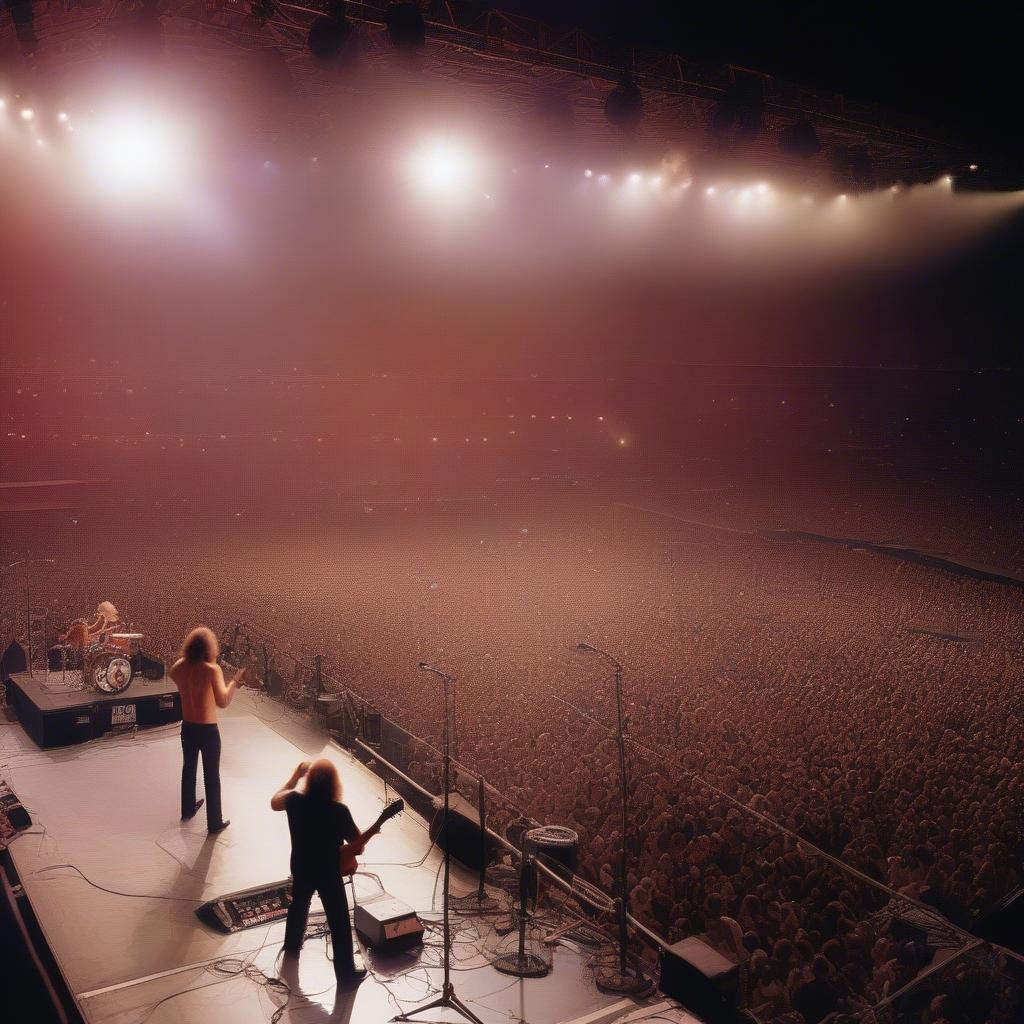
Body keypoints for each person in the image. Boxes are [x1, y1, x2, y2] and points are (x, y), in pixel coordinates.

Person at [271, 759, 366, 982]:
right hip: (327, 871)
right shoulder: (339, 811)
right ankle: (346, 973)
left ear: (309, 780)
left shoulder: (294, 800)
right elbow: (357, 844)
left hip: (301, 865)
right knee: (339, 921)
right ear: (334, 784)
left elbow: (275, 801)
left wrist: (295, 774)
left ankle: (292, 948)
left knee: (298, 906)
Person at [170, 627, 246, 834]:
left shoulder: (178, 667)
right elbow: (223, 702)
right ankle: (214, 822)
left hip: (188, 727)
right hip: (208, 731)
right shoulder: (212, 670)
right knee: (211, 776)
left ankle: (187, 810)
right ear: (210, 648)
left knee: (189, 769)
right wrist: (235, 682)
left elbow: (179, 678)